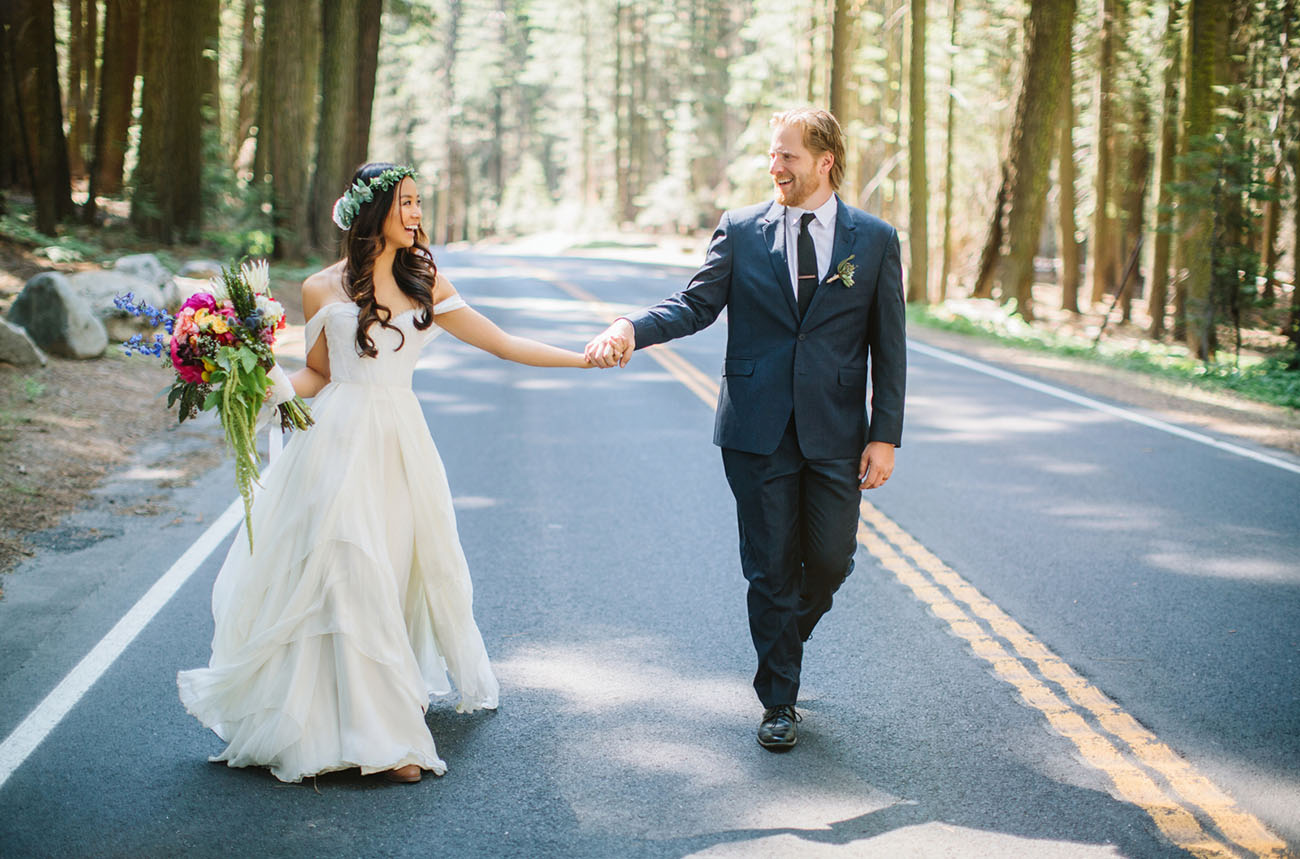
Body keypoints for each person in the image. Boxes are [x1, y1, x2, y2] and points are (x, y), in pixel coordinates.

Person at [178, 162, 592, 784]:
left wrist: (582, 360)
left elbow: (503, 343)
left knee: (390, 573)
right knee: (346, 572)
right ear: (373, 212)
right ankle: (385, 741)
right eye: (405, 203)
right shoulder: (320, 289)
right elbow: (317, 374)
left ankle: (376, 709)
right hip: (334, 442)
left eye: (418, 202)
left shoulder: (426, 281)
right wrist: (257, 381)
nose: (416, 213)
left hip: (400, 443)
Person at [585, 108, 906, 751]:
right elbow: (697, 304)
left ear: (825, 161)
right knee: (770, 569)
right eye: (771, 155)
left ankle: (780, 643)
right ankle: (779, 701)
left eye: (787, 155)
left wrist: (885, 433)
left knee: (832, 560)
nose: (774, 167)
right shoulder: (741, 230)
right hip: (756, 430)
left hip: (837, 431)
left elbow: (888, 344)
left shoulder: (873, 240)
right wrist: (631, 327)